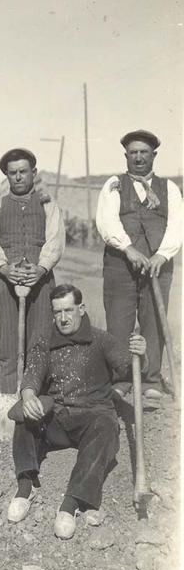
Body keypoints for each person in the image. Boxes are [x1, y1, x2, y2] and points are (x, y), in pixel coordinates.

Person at [6, 284, 148, 539]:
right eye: (57, 312)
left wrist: (141, 355)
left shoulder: (100, 339)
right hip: (58, 419)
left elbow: (129, 368)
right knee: (23, 416)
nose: (63, 318)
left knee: (106, 425)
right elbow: (33, 375)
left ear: (81, 309)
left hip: (92, 417)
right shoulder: (45, 341)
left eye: (69, 310)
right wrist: (28, 396)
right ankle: (26, 486)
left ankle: (70, 504)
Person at [96, 130, 182, 403]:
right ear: (126, 156)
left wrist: (161, 255)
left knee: (153, 321)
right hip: (120, 264)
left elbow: (177, 226)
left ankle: (150, 380)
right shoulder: (114, 184)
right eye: (133, 153)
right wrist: (128, 248)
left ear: (154, 155)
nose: (139, 157)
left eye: (144, 152)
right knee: (119, 322)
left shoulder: (169, 188)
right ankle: (121, 379)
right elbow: (106, 222)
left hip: (158, 266)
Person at [0, 148, 65, 395]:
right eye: (12, 173)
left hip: (41, 281)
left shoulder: (48, 204)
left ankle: (35, 397)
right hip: (6, 283)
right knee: (9, 347)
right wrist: (4, 268)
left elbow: (55, 240)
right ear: (7, 176)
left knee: (39, 344)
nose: (18, 177)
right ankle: (10, 399)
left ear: (33, 173)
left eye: (23, 172)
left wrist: (41, 268)